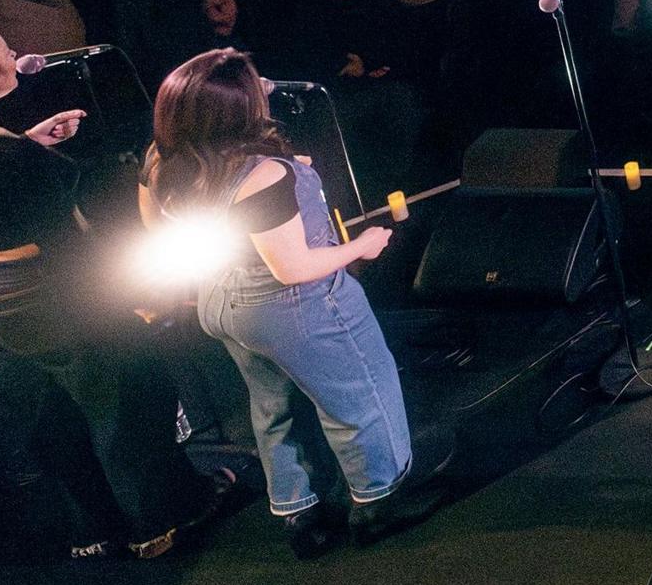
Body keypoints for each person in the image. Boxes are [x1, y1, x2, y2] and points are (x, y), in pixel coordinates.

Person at [0, 11, 229, 561]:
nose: (16, 59)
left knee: (47, 417)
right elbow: (72, 249)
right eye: (5, 54)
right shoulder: (11, 163)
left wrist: (26, 144)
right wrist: (138, 298)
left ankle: (91, 530)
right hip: (35, 301)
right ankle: (161, 523)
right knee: (122, 406)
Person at [141, 50, 447, 556]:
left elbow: (158, 226)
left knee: (272, 407)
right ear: (235, 108)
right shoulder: (262, 176)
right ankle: (378, 504)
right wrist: (362, 246)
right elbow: (293, 268)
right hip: (294, 306)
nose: (264, 84)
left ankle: (297, 512)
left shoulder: (164, 158)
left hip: (223, 300)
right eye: (253, 83)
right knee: (360, 397)